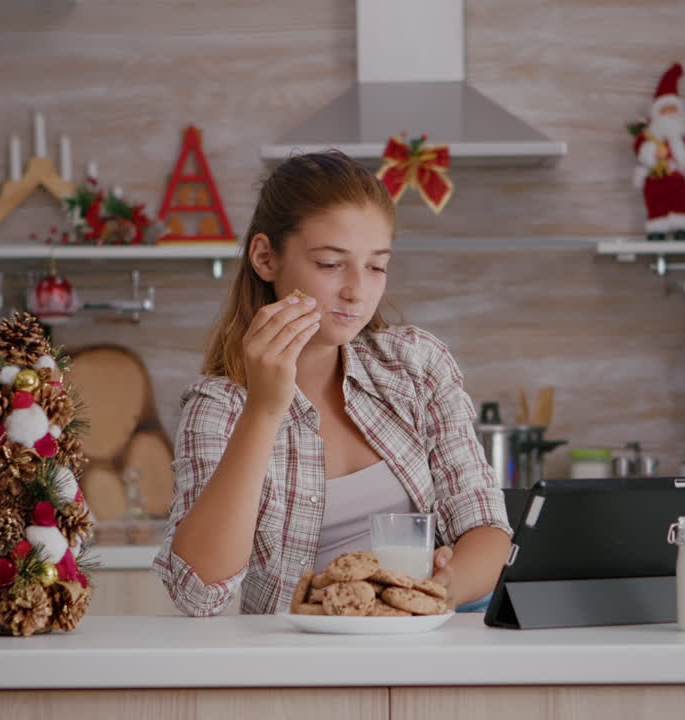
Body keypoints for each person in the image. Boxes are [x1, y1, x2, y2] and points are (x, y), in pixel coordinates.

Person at [153, 151, 512, 616]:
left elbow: (486, 526)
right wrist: (264, 407)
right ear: (265, 257)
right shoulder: (219, 406)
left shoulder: (416, 366)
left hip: (425, 653)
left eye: (376, 266)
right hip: (297, 670)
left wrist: (439, 590)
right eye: (329, 264)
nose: (356, 291)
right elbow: (197, 593)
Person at [632, 62, 685, 241]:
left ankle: (681, 230)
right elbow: (638, 148)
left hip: (680, 180)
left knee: (682, 204)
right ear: (657, 114)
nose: (670, 114)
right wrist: (652, 153)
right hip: (656, 179)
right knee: (656, 205)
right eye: (665, 110)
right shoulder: (649, 137)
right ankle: (657, 230)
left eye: (674, 110)